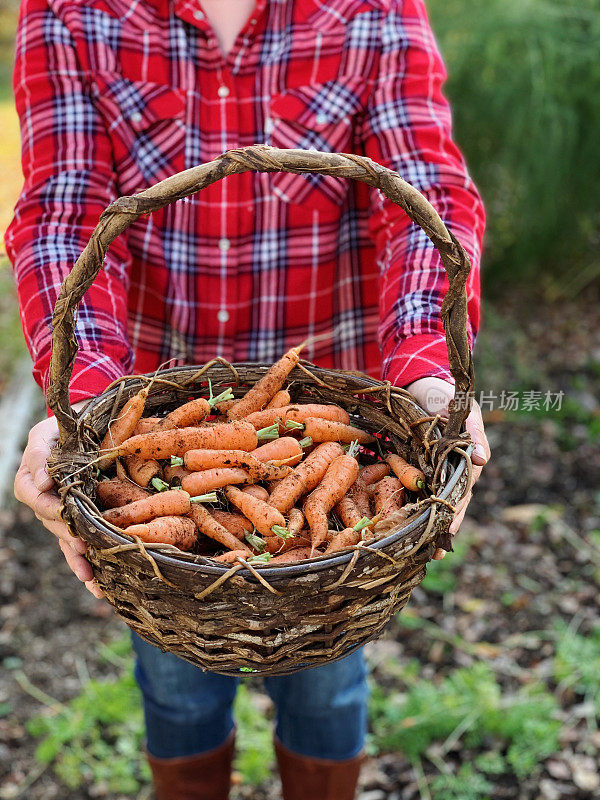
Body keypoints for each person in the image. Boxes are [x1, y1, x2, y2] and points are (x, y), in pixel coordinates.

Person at [8, 0, 490, 797]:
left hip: (342, 428)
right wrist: (84, 399)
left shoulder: (372, 10)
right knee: (174, 680)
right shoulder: (68, 12)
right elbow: (65, 214)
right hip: (151, 427)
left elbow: (421, 194)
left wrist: (428, 367)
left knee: (329, 679)